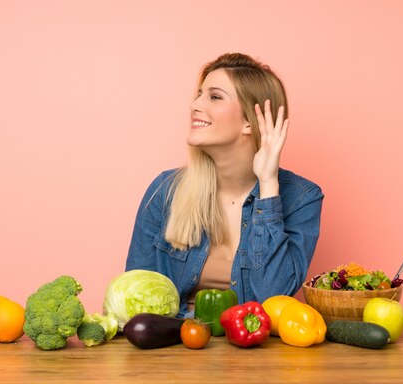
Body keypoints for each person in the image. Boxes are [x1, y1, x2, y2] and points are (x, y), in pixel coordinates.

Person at [125, 53, 323, 317]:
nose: (195, 105)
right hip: (174, 346)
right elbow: (134, 297)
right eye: (198, 94)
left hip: (252, 347)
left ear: (249, 121)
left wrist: (268, 185)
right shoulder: (165, 191)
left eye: (214, 97)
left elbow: (272, 299)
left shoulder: (302, 199)